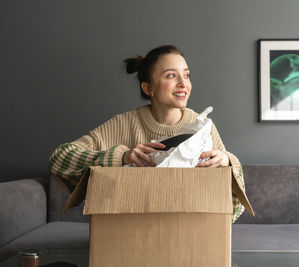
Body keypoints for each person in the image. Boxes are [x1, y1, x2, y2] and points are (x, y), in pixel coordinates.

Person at [48, 45, 249, 222]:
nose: (183, 83)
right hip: (133, 230)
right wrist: (122, 156)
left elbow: (234, 204)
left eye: (186, 75)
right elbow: (59, 159)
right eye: (171, 75)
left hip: (188, 231)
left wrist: (227, 162)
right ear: (148, 88)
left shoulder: (203, 127)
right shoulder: (124, 124)